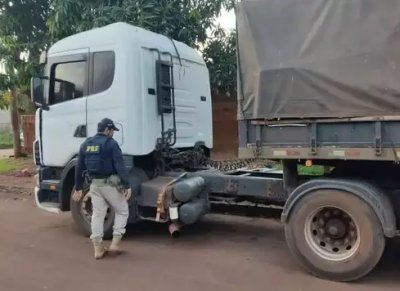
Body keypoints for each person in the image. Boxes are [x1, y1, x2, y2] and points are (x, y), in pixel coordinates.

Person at [72, 118, 132, 259]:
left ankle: (98, 249)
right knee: (122, 210)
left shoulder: (86, 144)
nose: (113, 133)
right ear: (107, 130)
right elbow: (120, 166)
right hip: (109, 185)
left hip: (94, 186)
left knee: (97, 215)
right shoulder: (111, 144)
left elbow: (79, 167)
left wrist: (79, 188)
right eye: (112, 131)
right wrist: (127, 185)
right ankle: (115, 244)